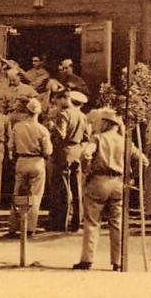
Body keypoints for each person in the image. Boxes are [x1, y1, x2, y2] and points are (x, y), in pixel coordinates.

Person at [73, 109, 148, 271]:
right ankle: (118, 261)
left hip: (98, 181)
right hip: (119, 183)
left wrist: (86, 169)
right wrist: (133, 176)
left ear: (106, 123)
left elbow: (86, 153)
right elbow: (143, 160)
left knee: (92, 221)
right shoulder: (125, 142)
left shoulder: (98, 138)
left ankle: (87, 259)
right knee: (117, 223)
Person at [6, 98, 52, 237]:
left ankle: (13, 227)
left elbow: (10, 146)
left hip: (21, 160)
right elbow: (48, 151)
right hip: (37, 161)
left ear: (27, 111)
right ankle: (30, 228)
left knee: (17, 194)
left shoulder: (17, 127)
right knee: (35, 196)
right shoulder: (42, 130)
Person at [48, 90, 89, 232]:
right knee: (77, 188)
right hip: (77, 151)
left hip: (64, 152)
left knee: (63, 189)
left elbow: (61, 134)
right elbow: (86, 136)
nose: (57, 103)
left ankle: (62, 222)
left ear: (65, 99)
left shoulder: (64, 114)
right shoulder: (82, 116)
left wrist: (53, 128)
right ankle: (77, 221)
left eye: (58, 100)